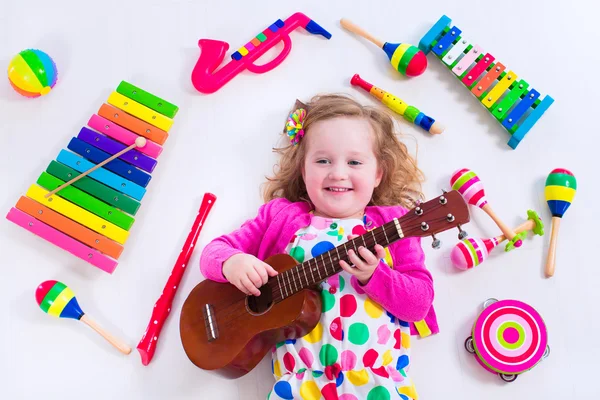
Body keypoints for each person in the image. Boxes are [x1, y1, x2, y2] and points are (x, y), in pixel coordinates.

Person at [199, 94, 438, 399]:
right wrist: (232, 263)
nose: (338, 173)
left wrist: (376, 275)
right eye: (323, 160)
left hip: (376, 386)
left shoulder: (394, 226)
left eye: (354, 162)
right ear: (303, 170)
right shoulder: (281, 216)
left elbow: (419, 305)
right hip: (299, 387)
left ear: (378, 174)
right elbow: (212, 253)